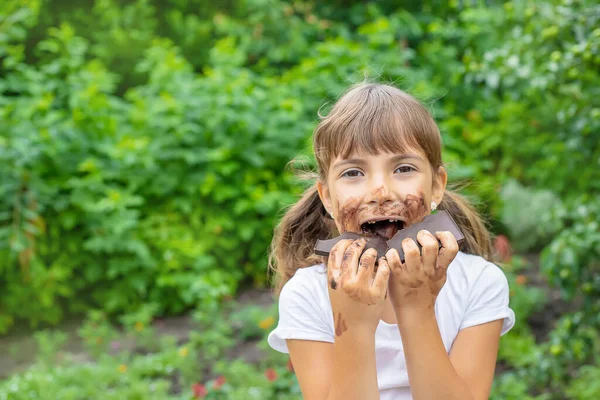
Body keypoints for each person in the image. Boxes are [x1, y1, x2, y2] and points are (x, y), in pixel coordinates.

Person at [267, 82, 515, 400]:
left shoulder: (478, 282)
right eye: (353, 172)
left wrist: (416, 306)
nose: (380, 191)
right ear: (327, 198)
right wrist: (352, 323)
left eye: (403, 168)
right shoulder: (308, 294)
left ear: (436, 187)